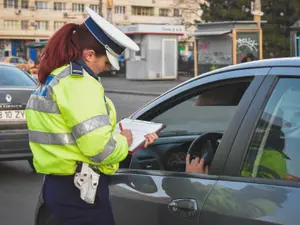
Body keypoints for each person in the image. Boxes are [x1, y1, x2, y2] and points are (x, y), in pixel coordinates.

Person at [25, 6, 158, 225]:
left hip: (58, 188)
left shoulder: (56, 78)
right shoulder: (80, 84)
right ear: (89, 55)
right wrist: (126, 142)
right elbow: (98, 149)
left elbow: (74, 134)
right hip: (80, 192)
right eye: (106, 62)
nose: (105, 69)